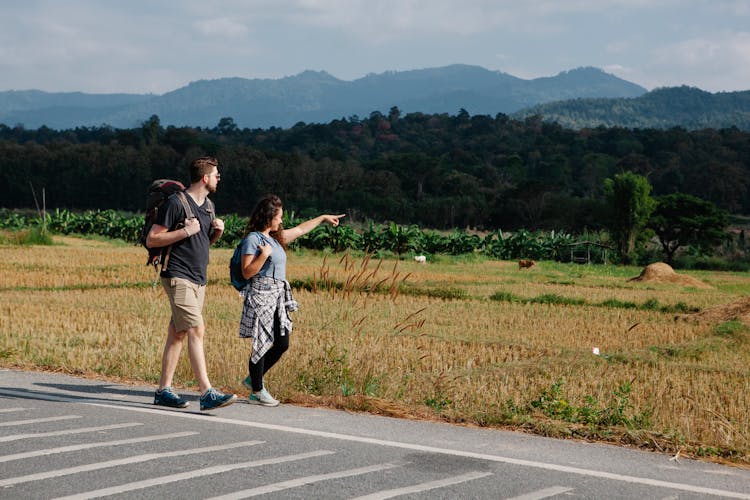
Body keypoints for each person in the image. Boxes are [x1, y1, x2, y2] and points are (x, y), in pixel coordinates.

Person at [146, 156, 237, 411]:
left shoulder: (209, 206)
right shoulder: (176, 203)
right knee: (197, 330)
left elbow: (201, 243)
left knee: (178, 333)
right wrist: (185, 231)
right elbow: (153, 239)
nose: (219, 178)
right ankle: (207, 393)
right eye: (216, 174)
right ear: (205, 177)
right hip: (177, 274)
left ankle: (163, 390)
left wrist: (216, 233)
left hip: (199, 278)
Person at [238, 194, 344, 406]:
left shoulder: (276, 239)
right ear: (268, 217)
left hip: (278, 296)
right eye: (279, 216)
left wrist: (323, 218)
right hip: (262, 295)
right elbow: (247, 272)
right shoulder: (253, 240)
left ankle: (253, 380)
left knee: (282, 343)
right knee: (262, 340)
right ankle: (257, 390)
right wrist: (263, 255)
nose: (281, 220)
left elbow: (301, 229)